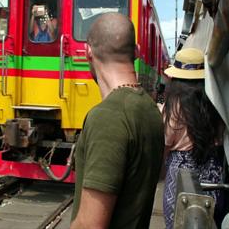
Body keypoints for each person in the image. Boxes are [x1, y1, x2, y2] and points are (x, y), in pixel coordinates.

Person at [70, 13, 164, 229]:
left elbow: (89, 226)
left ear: (88, 52)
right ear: (137, 51)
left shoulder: (107, 117)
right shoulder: (150, 110)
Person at [161, 48, 225, 229]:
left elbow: (166, 141)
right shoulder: (214, 101)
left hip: (179, 170)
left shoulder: (174, 104)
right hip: (212, 169)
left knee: (178, 221)